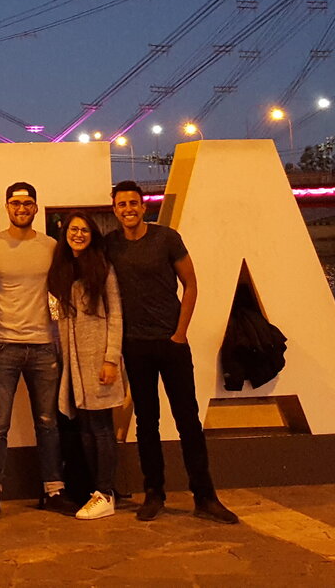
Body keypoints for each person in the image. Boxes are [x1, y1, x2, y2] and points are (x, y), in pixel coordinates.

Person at [102, 179, 238, 524]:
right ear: (114, 209)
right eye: (122, 205)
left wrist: (180, 333)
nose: (128, 209)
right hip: (135, 345)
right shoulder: (110, 245)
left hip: (171, 343)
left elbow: (191, 283)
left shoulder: (166, 238)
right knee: (147, 423)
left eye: (133, 203)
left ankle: (205, 497)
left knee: (188, 421)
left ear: (143, 206)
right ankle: (154, 493)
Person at [0, 181, 65, 520]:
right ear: (7, 207)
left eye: (27, 204)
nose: (21, 209)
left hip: (43, 346)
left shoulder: (51, 246)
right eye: (15, 204)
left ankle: (53, 491)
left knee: (48, 423)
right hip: (2, 346)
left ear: (36, 208)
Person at [47, 211, 125, 521]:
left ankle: (105, 492)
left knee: (101, 428)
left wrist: (111, 359)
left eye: (84, 230)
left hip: (97, 361)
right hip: (73, 363)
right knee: (86, 429)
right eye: (73, 229)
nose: (78, 234)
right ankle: (96, 490)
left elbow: (116, 315)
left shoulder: (102, 269)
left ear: (92, 235)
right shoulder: (62, 269)